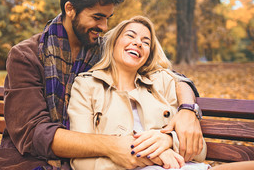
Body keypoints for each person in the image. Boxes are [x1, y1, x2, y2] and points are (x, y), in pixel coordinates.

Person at [0, 0, 202, 170]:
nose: (104, 27)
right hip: (30, 160)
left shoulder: (104, 50)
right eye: (97, 17)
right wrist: (113, 145)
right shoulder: (27, 56)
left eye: (108, 18)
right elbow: (35, 133)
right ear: (70, 9)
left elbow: (173, 77)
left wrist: (187, 111)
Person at [68, 16, 209, 170]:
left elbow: (200, 151)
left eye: (146, 42)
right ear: (114, 42)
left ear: (148, 54)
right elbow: (81, 162)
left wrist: (168, 139)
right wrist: (152, 156)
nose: (138, 43)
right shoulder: (87, 86)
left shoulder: (163, 82)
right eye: (130, 35)